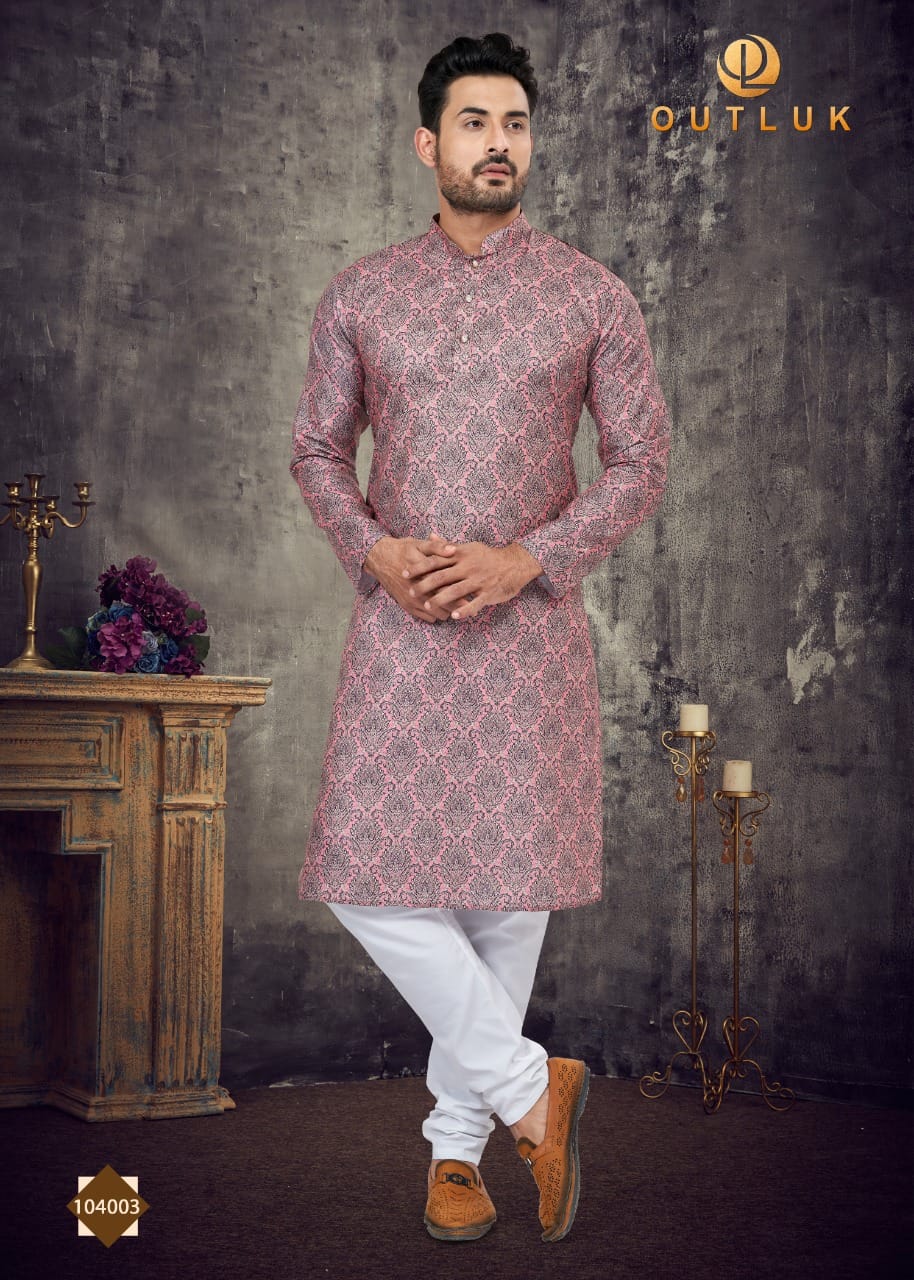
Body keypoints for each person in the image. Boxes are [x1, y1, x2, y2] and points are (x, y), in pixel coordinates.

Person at [290, 32, 670, 1243]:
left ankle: (455, 1153)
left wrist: (529, 559)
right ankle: (526, 1084)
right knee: (362, 873)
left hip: (527, 631)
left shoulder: (590, 295)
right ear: (427, 143)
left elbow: (640, 461)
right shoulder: (362, 292)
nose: (496, 143)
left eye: (512, 122)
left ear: (529, 141)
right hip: (400, 623)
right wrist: (370, 549)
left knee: (507, 901)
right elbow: (316, 447)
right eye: (472, 122)